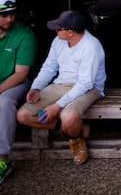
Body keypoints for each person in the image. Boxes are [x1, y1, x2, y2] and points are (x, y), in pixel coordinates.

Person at [16, 10, 105, 166]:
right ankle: (77, 129)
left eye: (59, 28)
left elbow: (85, 83)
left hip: (89, 88)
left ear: (70, 32)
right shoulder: (58, 41)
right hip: (61, 84)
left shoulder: (91, 46)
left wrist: (56, 106)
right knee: (23, 115)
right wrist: (35, 87)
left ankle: (76, 140)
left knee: (68, 116)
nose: (55, 31)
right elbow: (49, 67)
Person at [0, 0, 36, 184]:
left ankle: (2, 160)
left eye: (12, 14)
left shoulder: (24, 33)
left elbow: (20, 74)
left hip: (14, 82)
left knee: (4, 102)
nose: (9, 20)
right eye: (3, 15)